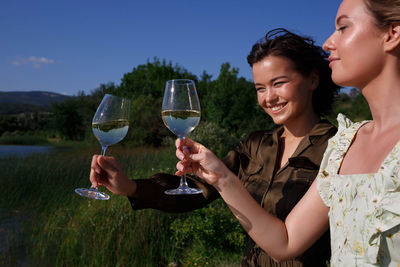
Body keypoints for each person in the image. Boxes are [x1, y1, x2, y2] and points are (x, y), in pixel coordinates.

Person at [174, 0, 400, 266]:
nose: (328, 43)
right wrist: (222, 177)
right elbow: (286, 242)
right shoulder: (345, 144)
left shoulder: (330, 140)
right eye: (260, 88)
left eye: (343, 27)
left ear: (392, 34)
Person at [89, 28, 340, 266]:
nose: (268, 98)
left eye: (278, 83)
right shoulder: (255, 144)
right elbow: (198, 191)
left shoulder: (339, 147)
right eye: (260, 88)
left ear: (313, 80)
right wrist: (129, 186)